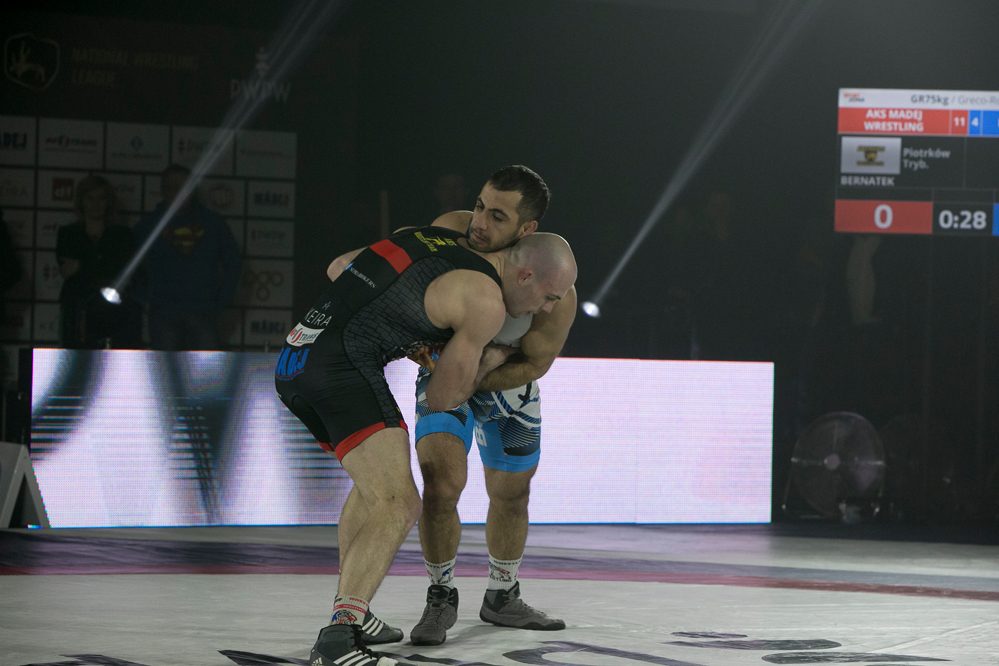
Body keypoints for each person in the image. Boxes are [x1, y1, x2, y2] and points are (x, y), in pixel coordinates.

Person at [275, 225, 576, 666]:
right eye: (549, 297)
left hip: (295, 358)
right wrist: (489, 358)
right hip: (342, 370)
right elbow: (442, 398)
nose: (548, 308)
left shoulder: (434, 234)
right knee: (399, 502)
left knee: (373, 489)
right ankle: (338, 639)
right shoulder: (486, 300)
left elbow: (340, 266)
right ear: (525, 275)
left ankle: (356, 612)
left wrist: (398, 318)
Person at [407, 165, 577, 645]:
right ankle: (440, 596)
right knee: (441, 484)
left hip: (505, 379)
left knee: (512, 493)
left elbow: (535, 363)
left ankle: (502, 595)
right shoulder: (448, 234)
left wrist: (479, 373)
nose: (478, 223)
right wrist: (416, 345)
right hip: (445, 369)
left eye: (497, 217)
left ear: (526, 229)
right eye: (480, 206)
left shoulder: (553, 285)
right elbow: (402, 294)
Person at [132, 164, 240, 351]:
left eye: (184, 188)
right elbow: (126, 264)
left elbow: (233, 264)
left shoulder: (213, 223)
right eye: (173, 188)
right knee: (168, 369)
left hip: (203, 312)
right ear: (162, 190)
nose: (179, 194)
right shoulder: (148, 225)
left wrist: (219, 303)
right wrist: (144, 299)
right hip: (163, 313)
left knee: (206, 369)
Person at [56, 175, 141, 349]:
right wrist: (105, 266)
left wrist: (81, 265)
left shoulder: (123, 235)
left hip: (116, 313)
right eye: (90, 198)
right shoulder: (68, 234)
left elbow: (125, 272)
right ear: (81, 201)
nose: (96, 204)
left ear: (108, 202)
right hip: (77, 310)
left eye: (101, 198)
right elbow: (67, 271)